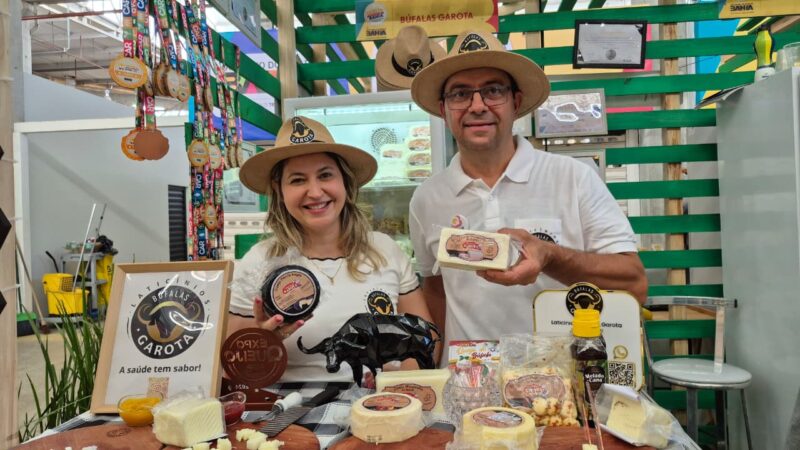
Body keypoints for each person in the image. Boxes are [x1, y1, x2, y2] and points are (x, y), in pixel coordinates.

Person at [407, 30, 647, 354]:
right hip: (469, 380)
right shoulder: (426, 199)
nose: (477, 106)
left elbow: (634, 284)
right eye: (460, 94)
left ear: (516, 103)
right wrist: (434, 364)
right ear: (444, 110)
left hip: (559, 377)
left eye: (493, 91)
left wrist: (550, 256)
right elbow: (436, 289)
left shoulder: (573, 178)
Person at [229, 116, 436, 382]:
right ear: (279, 192)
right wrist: (263, 341)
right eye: (297, 180)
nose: (315, 192)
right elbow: (232, 368)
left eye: (325, 175)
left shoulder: (385, 250)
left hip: (382, 403)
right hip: (290, 406)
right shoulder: (259, 262)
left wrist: (401, 383)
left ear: (346, 183)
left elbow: (425, 338)